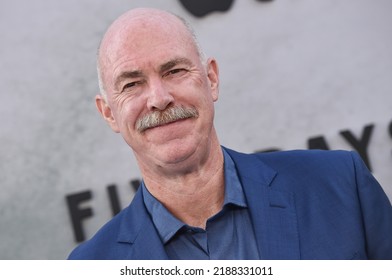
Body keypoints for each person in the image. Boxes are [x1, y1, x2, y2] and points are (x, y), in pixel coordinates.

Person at [68, 7, 392, 260]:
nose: (158, 98)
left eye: (175, 70)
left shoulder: (340, 186)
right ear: (109, 112)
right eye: (132, 84)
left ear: (211, 79)